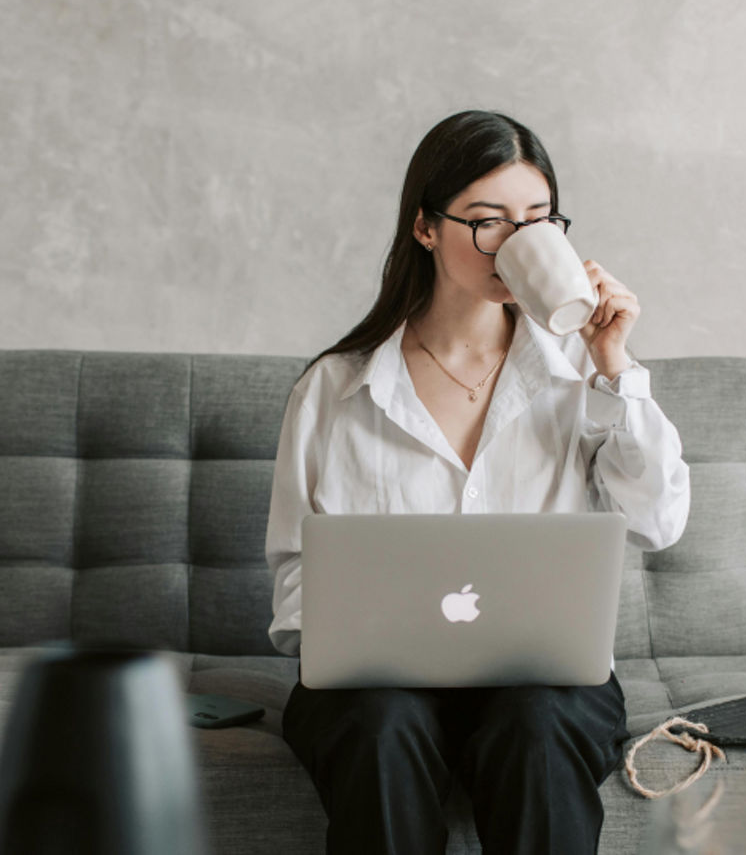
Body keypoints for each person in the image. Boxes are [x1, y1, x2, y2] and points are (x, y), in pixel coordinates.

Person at [264, 110, 690, 855]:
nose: (518, 244)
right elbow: (297, 578)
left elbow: (659, 520)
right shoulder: (336, 390)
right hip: (376, 690)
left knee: (536, 724)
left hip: (544, 683)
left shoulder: (583, 381)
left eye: (538, 221)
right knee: (379, 725)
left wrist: (616, 365)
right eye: (488, 222)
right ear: (426, 228)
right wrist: (352, 634)